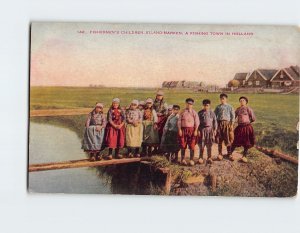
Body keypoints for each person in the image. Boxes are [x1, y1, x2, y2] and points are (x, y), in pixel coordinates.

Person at [231, 96, 256, 163]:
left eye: (243, 101)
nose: (242, 102)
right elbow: (234, 117)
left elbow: (253, 118)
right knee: (235, 140)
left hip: (247, 127)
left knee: (246, 142)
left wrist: (247, 122)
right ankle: (230, 153)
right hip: (239, 127)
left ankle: (244, 156)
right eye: (241, 101)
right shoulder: (238, 109)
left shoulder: (248, 109)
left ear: (246, 102)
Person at [177, 98, 200, 166]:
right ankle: (182, 159)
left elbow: (197, 122)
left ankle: (191, 160)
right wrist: (179, 129)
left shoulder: (194, 112)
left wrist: (196, 130)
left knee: (192, 144)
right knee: (183, 144)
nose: (189, 105)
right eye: (188, 104)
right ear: (186, 104)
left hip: (192, 130)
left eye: (190, 104)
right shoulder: (182, 111)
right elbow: (179, 121)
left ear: (192, 105)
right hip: (183, 130)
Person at [214, 93, 235, 161]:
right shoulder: (218, 107)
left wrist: (231, 125)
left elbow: (233, 117)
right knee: (220, 139)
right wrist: (215, 126)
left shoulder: (230, 107)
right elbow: (214, 116)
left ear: (226, 99)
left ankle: (229, 154)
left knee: (228, 139)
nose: (222, 100)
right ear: (220, 99)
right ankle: (220, 154)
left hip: (227, 124)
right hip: (219, 124)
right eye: (221, 98)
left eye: (224, 98)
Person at [198, 99, 218, 164]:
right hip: (202, 130)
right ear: (203, 105)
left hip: (209, 130)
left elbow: (215, 122)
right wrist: (198, 130)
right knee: (202, 144)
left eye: (207, 105)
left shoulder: (212, 113)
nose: (206, 107)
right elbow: (197, 122)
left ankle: (209, 157)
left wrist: (215, 130)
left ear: (209, 106)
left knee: (209, 144)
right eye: (204, 105)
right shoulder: (200, 113)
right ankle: (200, 157)